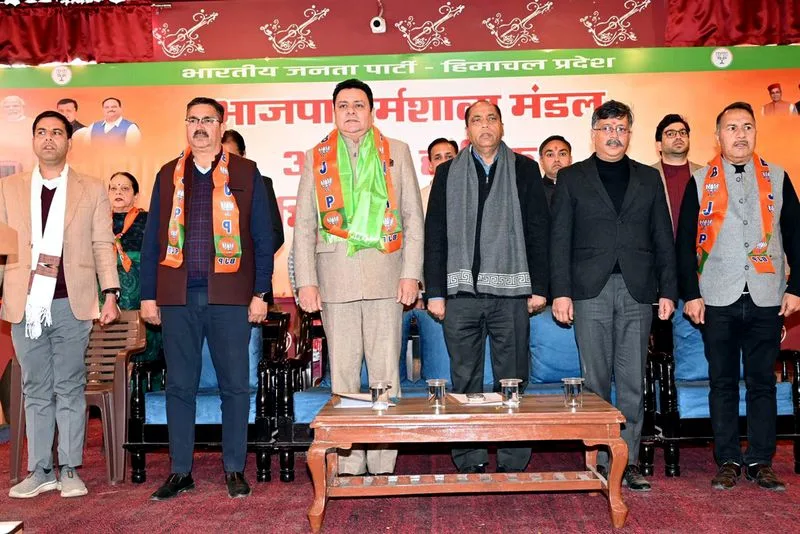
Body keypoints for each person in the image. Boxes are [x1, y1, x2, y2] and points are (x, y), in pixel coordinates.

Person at [140, 97, 274, 500]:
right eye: (193, 120)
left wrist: (260, 292)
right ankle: (180, 471)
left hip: (230, 296)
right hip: (177, 295)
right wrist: (148, 295)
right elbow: (152, 240)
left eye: (208, 120)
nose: (200, 126)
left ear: (221, 126)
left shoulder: (246, 172)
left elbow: (263, 238)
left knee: (235, 386)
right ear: (186, 125)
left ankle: (234, 468)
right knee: (179, 385)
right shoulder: (168, 174)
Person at [292, 79, 424, 476]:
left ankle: (382, 463)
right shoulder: (316, 157)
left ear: (371, 111)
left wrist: (411, 275)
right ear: (334, 111)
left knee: (386, 375)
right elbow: (304, 225)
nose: (351, 112)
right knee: (345, 376)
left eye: (359, 105)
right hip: (335, 281)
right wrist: (306, 282)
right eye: (343, 105)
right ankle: (348, 462)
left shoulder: (396, 151)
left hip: (387, 278)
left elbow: (413, 219)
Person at [550, 100, 677, 492]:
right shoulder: (571, 177)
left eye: (621, 129)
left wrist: (668, 290)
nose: (614, 136)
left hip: (638, 291)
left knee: (632, 382)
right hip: (590, 291)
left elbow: (663, 237)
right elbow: (559, 240)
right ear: (594, 133)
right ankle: (601, 462)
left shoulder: (648, 178)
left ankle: (629, 461)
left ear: (629, 134)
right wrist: (561, 293)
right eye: (607, 129)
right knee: (595, 382)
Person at [676, 101, 800, 492]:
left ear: (755, 133)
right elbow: (684, 244)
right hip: (717, 298)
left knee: (763, 383)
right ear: (718, 136)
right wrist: (691, 294)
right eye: (731, 128)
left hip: (766, 297)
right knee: (723, 383)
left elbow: (796, 235)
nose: (740, 134)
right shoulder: (700, 181)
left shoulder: (778, 177)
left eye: (747, 126)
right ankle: (728, 459)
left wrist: (796, 287)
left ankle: (761, 460)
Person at [424, 100, 550, 474]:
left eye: (491, 118)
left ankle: (512, 459)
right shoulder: (447, 172)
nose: (484, 125)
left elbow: (538, 230)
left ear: (502, 126)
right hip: (460, 294)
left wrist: (540, 286)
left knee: (512, 378)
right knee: (465, 380)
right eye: (476, 120)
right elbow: (435, 234)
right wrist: (435, 291)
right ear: (467, 130)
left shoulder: (524, 168)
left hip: (511, 293)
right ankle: (470, 456)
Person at [1, 110, 120, 498]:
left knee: (69, 386)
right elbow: (1, 247)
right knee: (35, 388)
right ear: (34, 140)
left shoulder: (91, 188)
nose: (49, 138)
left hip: (73, 301)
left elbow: (102, 244)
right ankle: (40, 470)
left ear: (69, 142)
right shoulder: (9, 188)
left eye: (56, 132)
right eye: (41, 132)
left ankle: (69, 468)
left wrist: (111, 293)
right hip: (25, 304)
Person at [103, 172, 163, 369]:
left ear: (136, 195)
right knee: (108, 349)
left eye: (125, 188)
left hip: (140, 294)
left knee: (143, 350)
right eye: (113, 188)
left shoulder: (148, 220)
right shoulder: (99, 220)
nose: (118, 192)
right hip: (106, 294)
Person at [222, 129, 284, 256]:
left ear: (243, 155)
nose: (226, 163)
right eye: (222, 158)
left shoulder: (261, 184)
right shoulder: (207, 187)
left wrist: (250, 258)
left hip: (251, 264)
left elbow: (275, 234)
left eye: (232, 157)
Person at [651, 114, 702, 237]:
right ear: (659, 145)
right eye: (671, 134)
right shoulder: (646, 176)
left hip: (696, 247)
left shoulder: (705, 174)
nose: (678, 137)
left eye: (683, 133)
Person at [419, 138, 459, 215]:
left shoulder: (468, 192)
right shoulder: (420, 198)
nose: (444, 162)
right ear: (430, 166)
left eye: (449, 157)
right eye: (438, 158)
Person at [538, 135, 573, 207]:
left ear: (570, 159)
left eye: (562, 154)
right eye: (550, 155)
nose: (556, 159)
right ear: (541, 161)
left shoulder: (582, 188)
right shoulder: (533, 190)